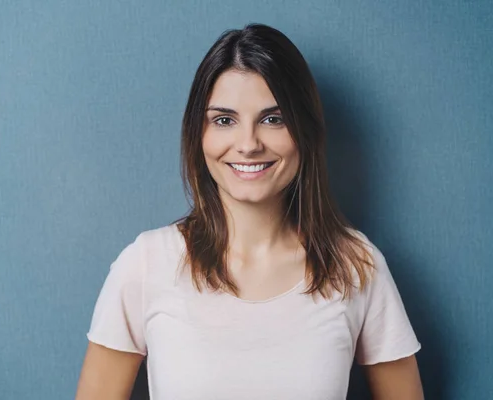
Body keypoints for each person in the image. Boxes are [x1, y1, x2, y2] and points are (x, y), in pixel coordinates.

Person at [75, 23, 423, 400]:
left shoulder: (357, 266)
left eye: (273, 119)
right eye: (224, 120)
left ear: (303, 130)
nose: (248, 144)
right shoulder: (145, 265)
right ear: (199, 134)